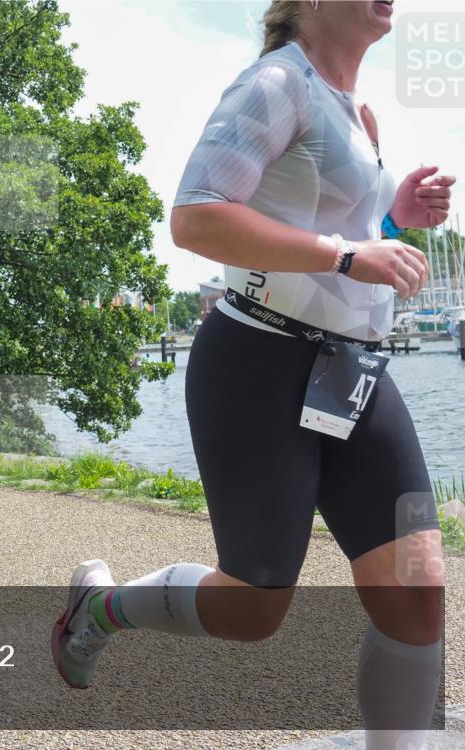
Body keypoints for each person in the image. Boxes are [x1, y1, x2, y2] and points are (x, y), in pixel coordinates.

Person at [52, 3, 453, 749]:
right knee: (256, 606)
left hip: (351, 371)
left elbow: (349, 240)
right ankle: (99, 607)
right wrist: (344, 252)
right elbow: (197, 217)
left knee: (417, 587)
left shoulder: (359, 111)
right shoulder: (275, 84)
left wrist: (393, 221)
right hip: (258, 360)